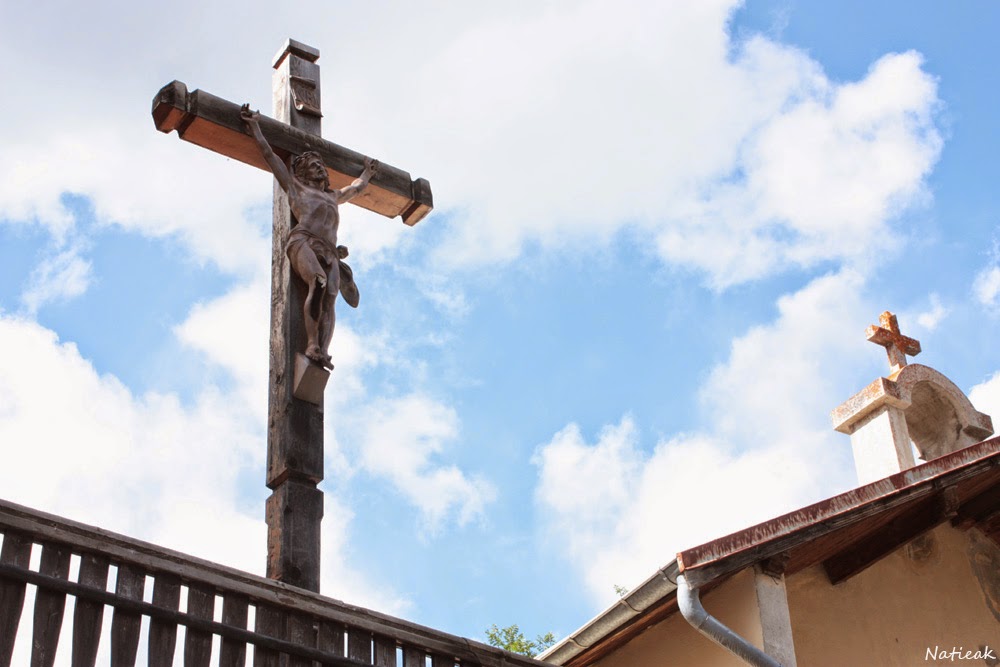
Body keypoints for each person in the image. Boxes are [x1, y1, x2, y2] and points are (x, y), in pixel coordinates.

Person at [241, 104, 378, 370]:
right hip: (302, 240)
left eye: (321, 166)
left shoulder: (332, 196)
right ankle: (312, 344)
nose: (321, 169)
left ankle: (323, 351)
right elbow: (270, 156)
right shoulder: (296, 188)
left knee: (331, 296)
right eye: (315, 165)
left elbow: (356, 188)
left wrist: (368, 172)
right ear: (303, 171)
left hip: (328, 249)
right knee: (319, 282)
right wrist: (254, 126)